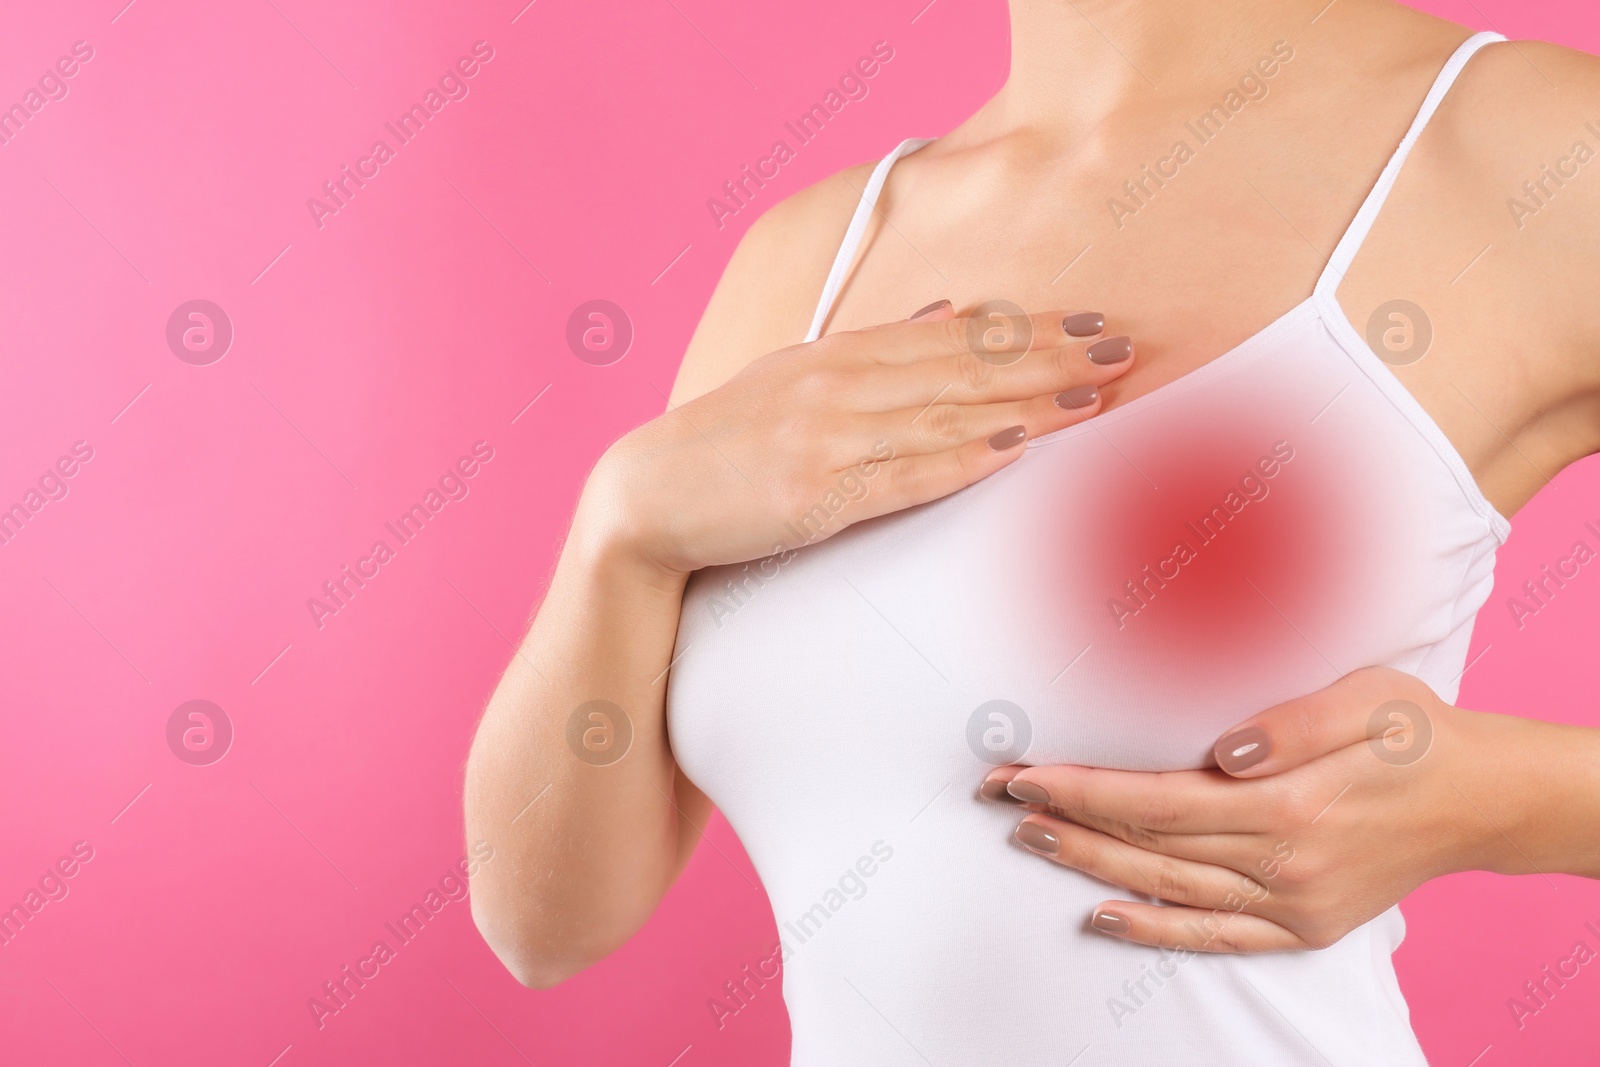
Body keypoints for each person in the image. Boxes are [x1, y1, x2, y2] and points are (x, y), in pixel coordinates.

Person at [465, 0, 1600, 1061]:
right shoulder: (809, 256)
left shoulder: (1528, 156)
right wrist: (623, 527)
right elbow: (544, 925)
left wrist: (1493, 795)